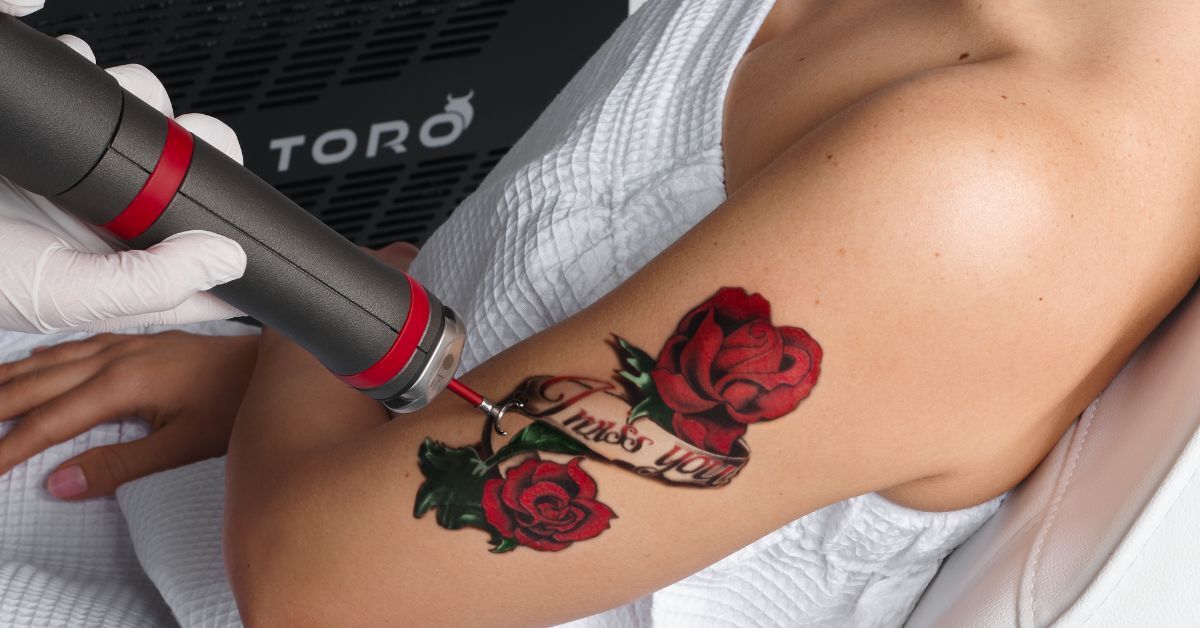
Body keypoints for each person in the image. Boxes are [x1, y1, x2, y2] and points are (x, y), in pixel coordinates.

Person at [2, 0, 1200, 625]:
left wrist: (330, 305)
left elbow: (314, 594)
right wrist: (313, 344)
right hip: (302, 456)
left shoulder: (991, 190)